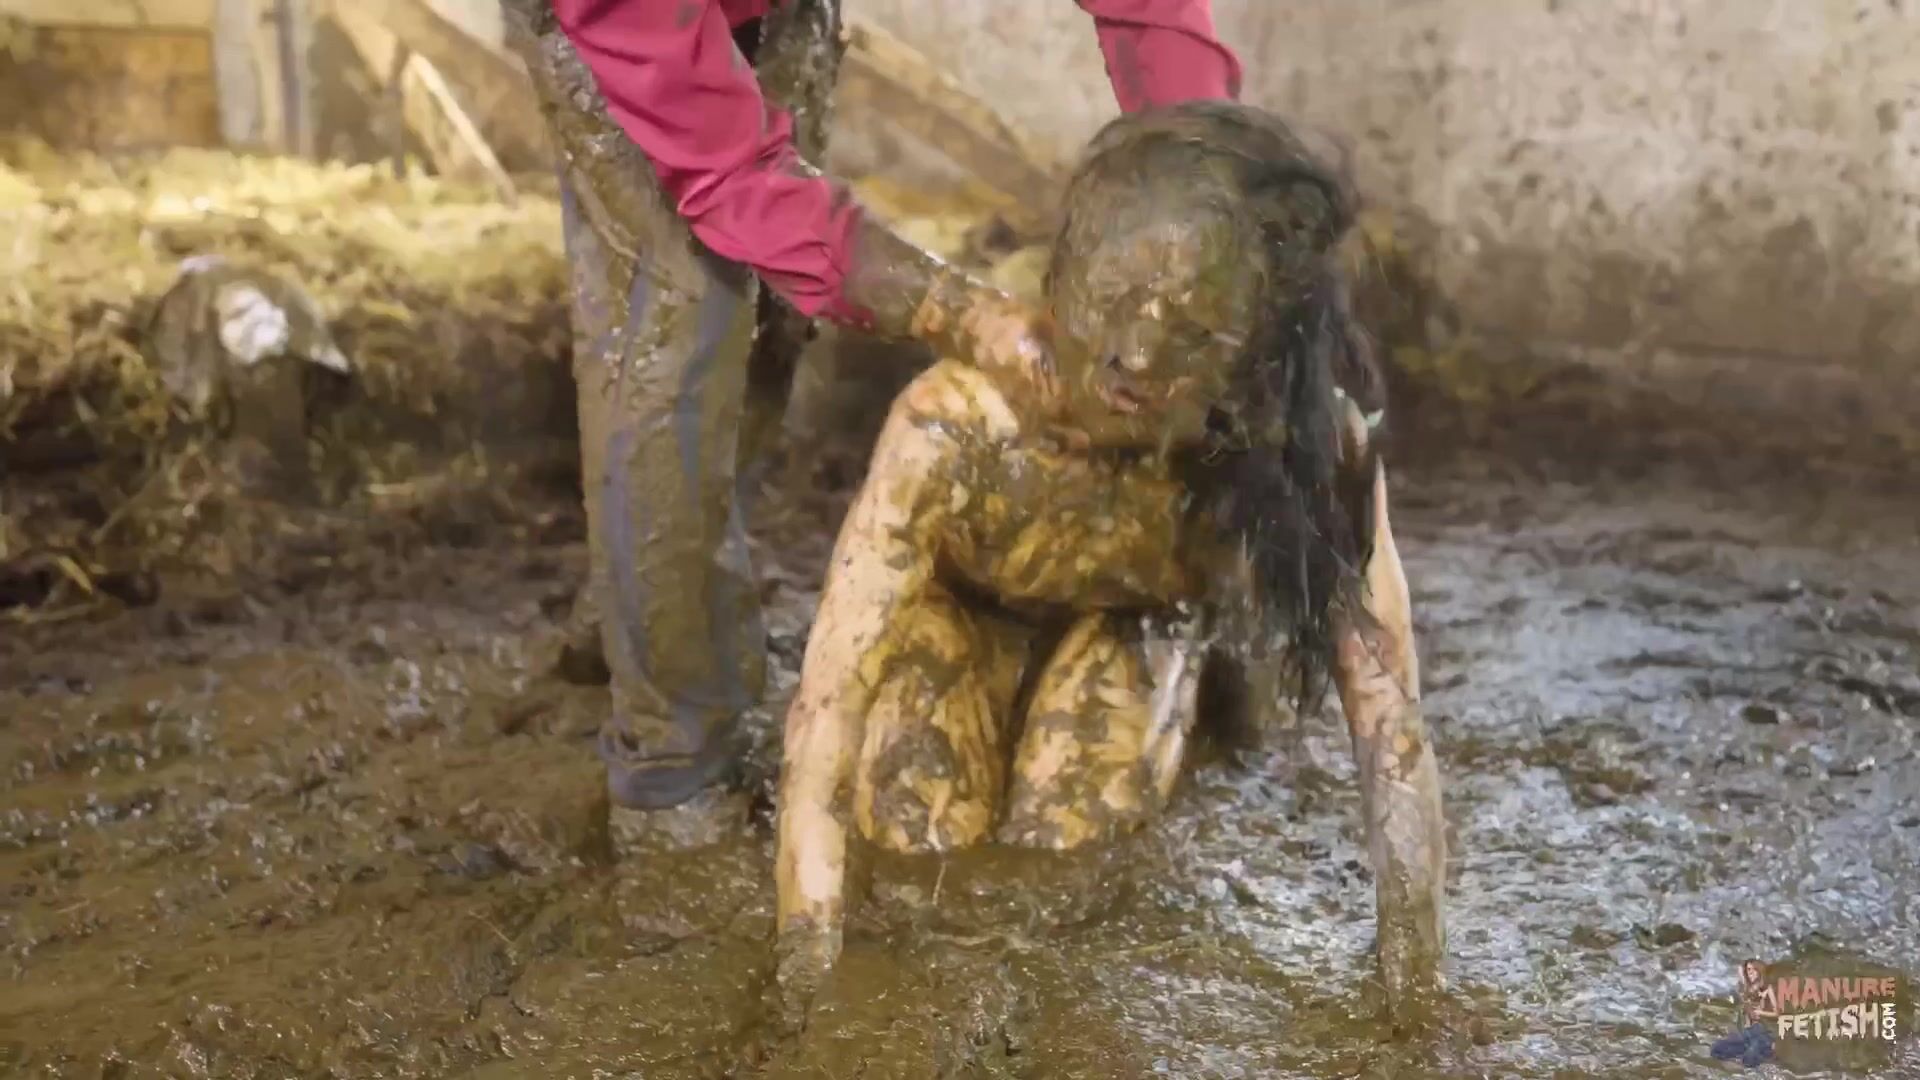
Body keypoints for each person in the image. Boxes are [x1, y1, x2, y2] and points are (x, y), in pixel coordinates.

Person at [545, 0, 1244, 815]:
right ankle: (675, 771)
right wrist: (962, 312)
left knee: (772, 315)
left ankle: (633, 617)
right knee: (679, 326)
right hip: (637, 22)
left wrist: (1213, 189)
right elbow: (729, 177)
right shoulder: (939, 421)